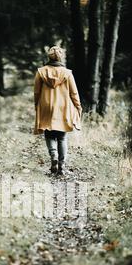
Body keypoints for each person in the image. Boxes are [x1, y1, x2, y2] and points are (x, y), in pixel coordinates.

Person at [34, 45, 82, 175]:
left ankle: (53, 156)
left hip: (46, 107)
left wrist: (36, 105)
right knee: (62, 137)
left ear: (49, 57)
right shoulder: (67, 73)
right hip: (63, 108)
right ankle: (61, 166)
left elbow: (37, 92)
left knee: (49, 134)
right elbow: (74, 93)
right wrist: (78, 107)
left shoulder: (41, 72)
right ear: (61, 57)